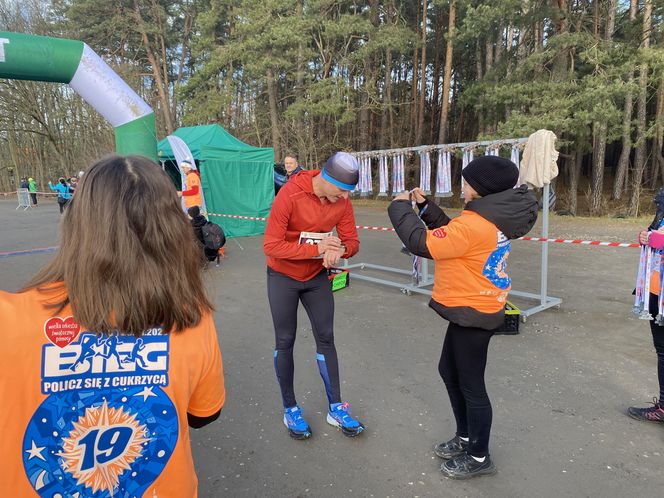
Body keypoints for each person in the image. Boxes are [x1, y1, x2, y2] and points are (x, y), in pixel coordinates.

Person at [0, 155, 225, 498]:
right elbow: (202, 414)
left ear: (76, 223)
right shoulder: (191, 316)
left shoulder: (10, 318)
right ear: (171, 229)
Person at [388, 156, 538, 479]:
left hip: (475, 310)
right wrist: (426, 208)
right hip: (472, 306)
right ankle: (466, 436)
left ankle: (480, 457)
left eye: (466, 181)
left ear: (480, 189)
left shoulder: (476, 224)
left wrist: (400, 208)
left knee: (472, 385)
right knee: (449, 370)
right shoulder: (488, 217)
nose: (462, 185)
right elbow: (452, 234)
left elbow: (423, 243)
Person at [263, 151, 364, 439]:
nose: (345, 198)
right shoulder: (290, 194)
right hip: (282, 276)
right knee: (285, 340)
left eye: (349, 193)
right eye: (342, 191)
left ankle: (336, 408)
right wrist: (316, 249)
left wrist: (339, 250)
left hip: (317, 277)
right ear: (326, 178)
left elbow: (352, 242)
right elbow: (271, 246)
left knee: (326, 338)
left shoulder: (341, 201)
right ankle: (290, 409)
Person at [629, 192, 664, 423]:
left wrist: (656, 240)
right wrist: (647, 235)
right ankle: (663, 406)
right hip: (656, 291)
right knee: (662, 350)